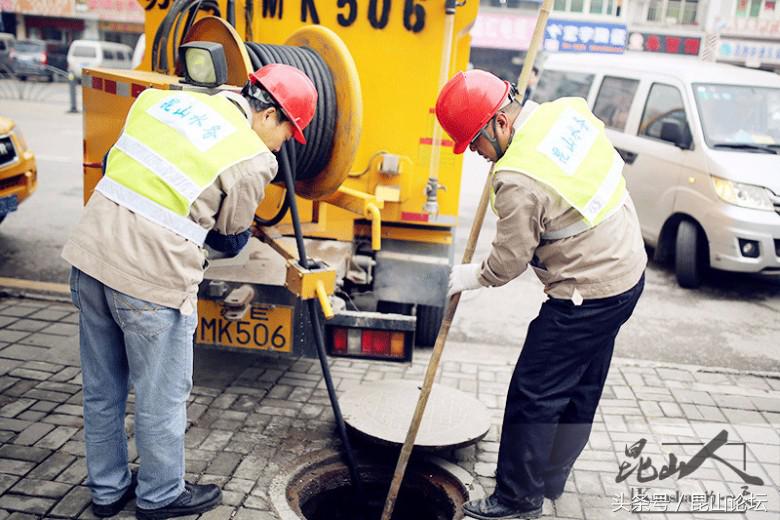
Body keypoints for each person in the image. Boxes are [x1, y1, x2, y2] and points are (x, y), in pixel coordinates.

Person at [62, 64, 317, 520]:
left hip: (90, 256)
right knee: (161, 397)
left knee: (103, 391)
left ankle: (107, 490)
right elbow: (228, 239)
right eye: (287, 133)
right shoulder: (254, 158)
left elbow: (115, 166)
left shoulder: (161, 101)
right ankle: (160, 495)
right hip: (149, 281)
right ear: (270, 115)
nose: (282, 145)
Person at [436, 69, 646, 519]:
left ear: (500, 124)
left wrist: (475, 276)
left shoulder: (517, 178)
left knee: (536, 391)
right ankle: (551, 478)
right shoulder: (563, 113)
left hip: (587, 293)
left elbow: (509, 260)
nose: (475, 154)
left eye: (475, 142)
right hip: (628, 272)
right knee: (580, 384)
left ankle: (518, 498)